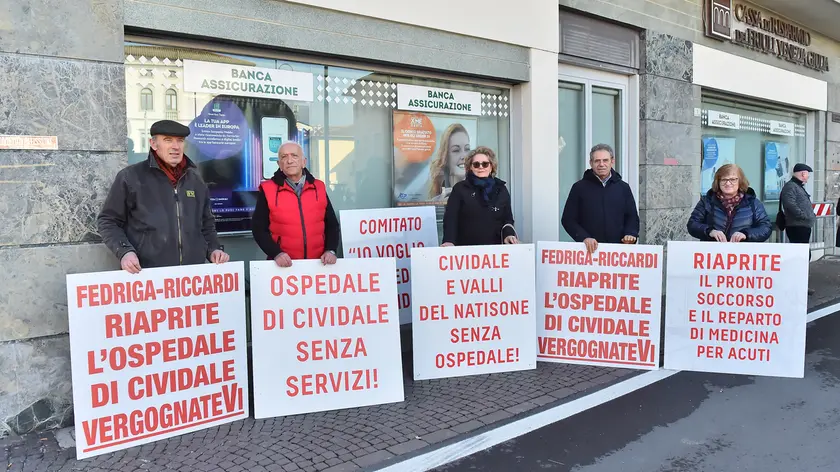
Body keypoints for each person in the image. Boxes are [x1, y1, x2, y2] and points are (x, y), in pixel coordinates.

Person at [98, 120, 230, 273]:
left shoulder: (195, 180)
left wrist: (213, 249)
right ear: (153, 144)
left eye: (180, 141)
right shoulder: (131, 177)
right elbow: (108, 220)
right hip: (146, 275)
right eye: (168, 140)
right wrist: (125, 252)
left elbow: (206, 223)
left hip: (191, 276)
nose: (175, 146)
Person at [252, 142, 340, 267]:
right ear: (279, 164)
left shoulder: (319, 187)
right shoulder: (268, 190)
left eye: (294, 156)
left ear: (304, 162)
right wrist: (276, 253)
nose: (289, 160)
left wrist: (331, 250)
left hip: (319, 264)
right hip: (283, 266)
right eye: (284, 157)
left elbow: (332, 225)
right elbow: (259, 229)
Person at [561, 144, 639, 254]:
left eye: (605, 160)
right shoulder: (579, 188)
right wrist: (584, 238)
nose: (601, 164)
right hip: (588, 253)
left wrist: (630, 233)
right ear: (591, 163)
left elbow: (632, 217)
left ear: (612, 161)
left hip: (618, 253)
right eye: (597, 161)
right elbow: (568, 220)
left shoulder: (623, 188)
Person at [441, 146, 518, 246]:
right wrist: (449, 241)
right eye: (476, 164)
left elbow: (507, 218)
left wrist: (509, 235)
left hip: (496, 250)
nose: (481, 167)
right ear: (470, 167)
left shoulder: (501, 189)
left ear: (491, 167)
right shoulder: (460, 189)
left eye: (485, 164)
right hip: (466, 250)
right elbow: (451, 218)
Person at [687, 164, 772, 242]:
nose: (728, 183)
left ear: (740, 181)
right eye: (724, 179)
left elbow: (766, 228)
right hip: (712, 254)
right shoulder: (707, 201)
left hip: (743, 254)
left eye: (733, 179)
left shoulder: (753, 203)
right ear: (718, 182)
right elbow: (692, 225)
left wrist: (746, 234)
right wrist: (710, 231)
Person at [429, 124, 471, 200]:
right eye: (456, 150)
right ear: (446, 157)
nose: (464, 156)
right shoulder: (436, 202)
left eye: (467, 149)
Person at [779, 163, 816, 244]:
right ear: (803, 174)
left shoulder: (797, 186)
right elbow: (789, 204)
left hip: (802, 225)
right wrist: (803, 215)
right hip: (797, 225)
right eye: (807, 175)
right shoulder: (791, 186)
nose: (808, 177)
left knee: (804, 251)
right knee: (801, 252)